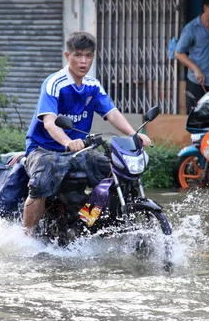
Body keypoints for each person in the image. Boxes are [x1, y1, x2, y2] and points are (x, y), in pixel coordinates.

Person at [22, 31, 151, 236]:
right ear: (67, 56)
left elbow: (112, 113)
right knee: (41, 183)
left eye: (88, 56)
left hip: (78, 150)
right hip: (43, 148)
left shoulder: (93, 85)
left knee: (114, 170)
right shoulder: (54, 83)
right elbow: (49, 123)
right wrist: (67, 141)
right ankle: (27, 236)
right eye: (78, 55)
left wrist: (135, 134)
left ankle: (86, 222)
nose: (84, 61)